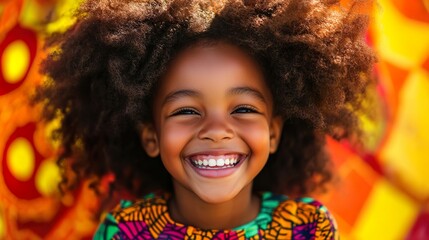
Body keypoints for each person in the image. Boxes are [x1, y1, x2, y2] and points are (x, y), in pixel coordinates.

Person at [35, 0, 375, 239]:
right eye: (186, 111)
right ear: (151, 136)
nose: (216, 131)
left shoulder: (308, 227)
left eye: (243, 109)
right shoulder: (124, 231)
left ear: (273, 132)